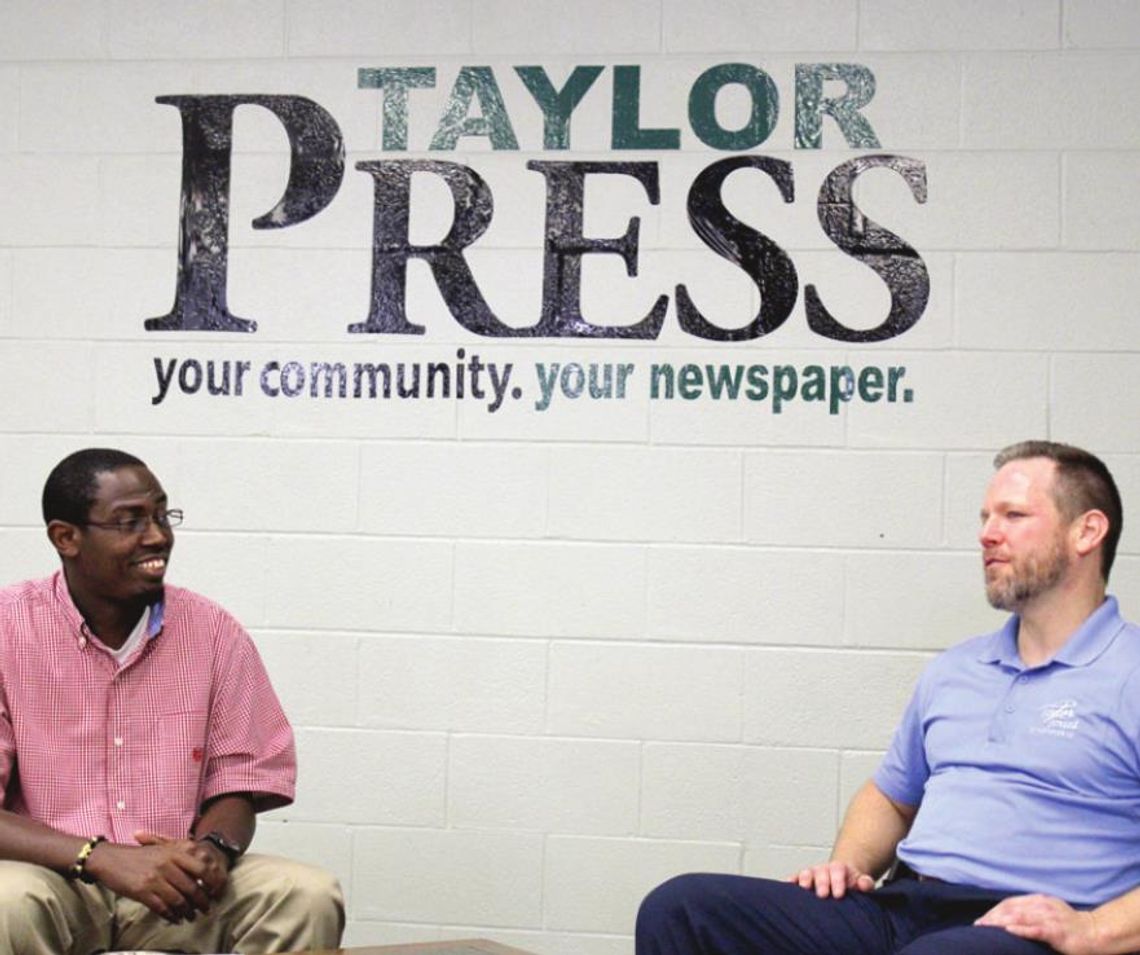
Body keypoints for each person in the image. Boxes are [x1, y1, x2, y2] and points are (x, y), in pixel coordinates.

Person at [637, 440, 1140, 955]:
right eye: (985, 516)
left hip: (1024, 930)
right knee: (681, 909)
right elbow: (891, 797)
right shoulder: (956, 670)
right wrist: (847, 866)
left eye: (1013, 515)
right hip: (904, 907)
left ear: (1087, 531)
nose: (987, 534)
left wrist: (1094, 930)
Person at [0, 448, 344, 954]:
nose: (158, 536)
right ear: (66, 537)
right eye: (130, 521)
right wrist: (100, 857)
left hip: (176, 887)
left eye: (162, 515)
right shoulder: (8, 630)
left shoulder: (212, 631)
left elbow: (240, 782)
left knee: (305, 894)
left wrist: (213, 851)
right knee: (5, 899)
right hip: (51, 881)